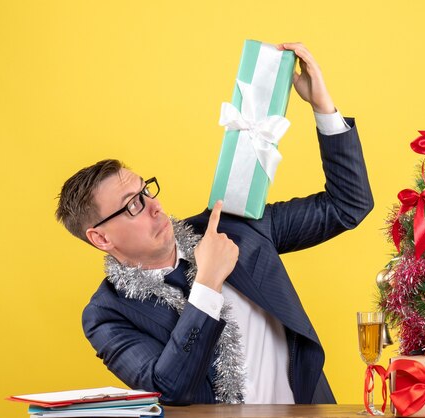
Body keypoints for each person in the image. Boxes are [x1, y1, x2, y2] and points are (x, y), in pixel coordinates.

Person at [55, 43, 373, 405]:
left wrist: (322, 107)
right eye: (133, 205)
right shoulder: (106, 314)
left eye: (146, 191)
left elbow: (349, 205)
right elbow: (171, 389)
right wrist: (206, 283)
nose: (155, 207)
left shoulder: (233, 227)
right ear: (101, 237)